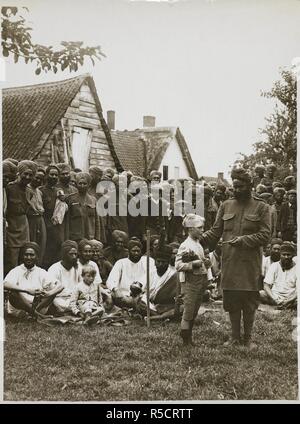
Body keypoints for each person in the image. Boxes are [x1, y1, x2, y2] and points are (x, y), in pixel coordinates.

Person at [200, 168, 270, 349]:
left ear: (250, 185)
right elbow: (216, 230)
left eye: (240, 186)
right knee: (231, 300)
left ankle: (248, 339)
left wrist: (244, 240)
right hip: (230, 262)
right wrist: (199, 238)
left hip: (249, 264)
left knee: (248, 301)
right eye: (235, 186)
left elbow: (265, 235)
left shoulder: (262, 207)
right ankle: (234, 337)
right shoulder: (226, 205)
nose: (236, 190)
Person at [175, 214, 212, 347]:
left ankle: (189, 336)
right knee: (188, 310)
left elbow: (202, 262)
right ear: (190, 229)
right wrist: (192, 265)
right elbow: (178, 265)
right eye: (200, 228)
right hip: (190, 281)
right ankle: (185, 339)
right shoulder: (185, 245)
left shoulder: (198, 244)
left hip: (200, 279)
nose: (202, 230)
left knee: (195, 309)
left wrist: (206, 263)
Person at [4, 242, 62, 318]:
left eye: (31, 255)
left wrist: (49, 293)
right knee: (14, 293)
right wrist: (27, 290)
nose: (28, 257)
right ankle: (37, 315)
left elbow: (60, 285)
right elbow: (4, 284)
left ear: (37, 256)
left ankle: (33, 314)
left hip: (38, 307)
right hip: (20, 307)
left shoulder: (41, 272)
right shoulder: (16, 270)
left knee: (53, 290)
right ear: (22, 256)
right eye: (26, 254)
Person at [5, 160, 37, 273]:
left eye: (30, 175)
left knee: (24, 259)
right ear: (19, 173)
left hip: (24, 227)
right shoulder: (9, 188)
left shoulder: (29, 191)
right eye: (25, 174)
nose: (27, 177)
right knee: (12, 261)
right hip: (11, 228)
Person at [106, 239, 156, 309]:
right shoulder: (121, 263)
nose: (136, 253)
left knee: (144, 302)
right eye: (134, 251)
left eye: (138, 251)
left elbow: (152, 277)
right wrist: (116, 290)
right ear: (129, 251)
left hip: (142, 295)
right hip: (123, 295)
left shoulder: (147, 261)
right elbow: (111, 280)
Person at [47, 240, 81, 314]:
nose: (74, 257)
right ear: (64, 254)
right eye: (71, 254)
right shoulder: (54, 268)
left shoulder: (77, 267)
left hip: (74, 298)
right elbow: (52, 291)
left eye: (75, 254)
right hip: (60, 299)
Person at [260, 242, 297, 309]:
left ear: (292, 255)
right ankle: (284, 305)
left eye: (288, 255)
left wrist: (289, 300)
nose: (286, 257)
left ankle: (285, 305)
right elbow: (266, 285)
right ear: (280, 255)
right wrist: (275, 299)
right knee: (261, 294)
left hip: (291, 298)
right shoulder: (274, 265)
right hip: (275, 296)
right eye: (284, 254)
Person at [40, 164, 63, 269]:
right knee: (44, 252)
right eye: (51, 174)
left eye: (56, 175)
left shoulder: (58, 192)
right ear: (46, 176)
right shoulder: (41, 191)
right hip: (44, 225)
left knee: (55, 250)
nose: (54, 177)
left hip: (55, 227)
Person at [67, 172, 101, 242]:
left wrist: (97, 238)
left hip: (90, 237)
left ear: (88, 185)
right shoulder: (71, 199)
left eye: (85, 184)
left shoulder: (93, 200)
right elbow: (67, 221)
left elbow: (97, 221)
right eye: (80, 183)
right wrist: (68, 238)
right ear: (76, 185)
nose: (82, 186)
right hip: (75, 237)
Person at [26, 169, 47, 265]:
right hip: (31, 220)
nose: (38, 180)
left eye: (41, 179)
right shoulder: (27, 189)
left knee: (41, 243)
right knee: (31, 243)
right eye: (36, 178)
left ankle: (38, 265)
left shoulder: (39, 191)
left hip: (40, 219)